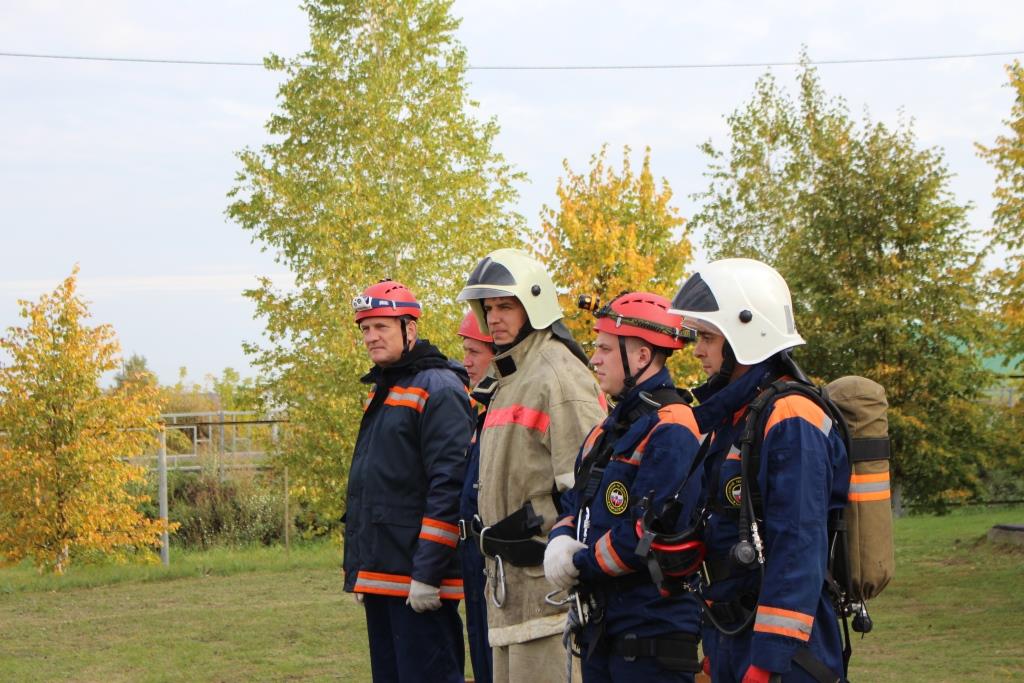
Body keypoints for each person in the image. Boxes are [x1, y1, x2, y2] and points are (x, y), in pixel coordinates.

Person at [669, 259, 850, 683]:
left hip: (784, 649)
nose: (698, 350)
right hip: (735, 633)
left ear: (746, 333)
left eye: (708, 337)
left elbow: (798, 544)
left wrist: (769, 661)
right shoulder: (737, 416)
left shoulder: (790, 416)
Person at [456, 248, 607, 683]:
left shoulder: (557, 373)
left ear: (535, 304)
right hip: (508, 594)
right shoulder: (509, 377)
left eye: (506, 305)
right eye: (488, 308)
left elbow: (588, 489)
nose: (495, 317)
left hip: (550, 599)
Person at [545, 292, 705, 682]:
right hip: (605, 628)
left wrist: (578, 563)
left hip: (651, 634)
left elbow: (649, 532)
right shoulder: (608, 427)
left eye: (603, 348)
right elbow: (575, 500)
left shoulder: (673, 427)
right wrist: (561, 537)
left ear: (642, 357)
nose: (593, 358)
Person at [343, 279, 475, 683]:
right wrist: (362, 570)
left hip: (418, 582)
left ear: (409, 329)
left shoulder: (439, 388)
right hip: (384, 575)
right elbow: (375, 488)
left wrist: (427, 575)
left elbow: (448, 487)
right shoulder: (387, 387)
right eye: (365, 328)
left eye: (381, 327)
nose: (371, 337)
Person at [457, 311, 496, 683]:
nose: (466, 361)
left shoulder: (504, 411)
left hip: (500, 561)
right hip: (474, 558)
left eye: (474, 352)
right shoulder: (483, 412)